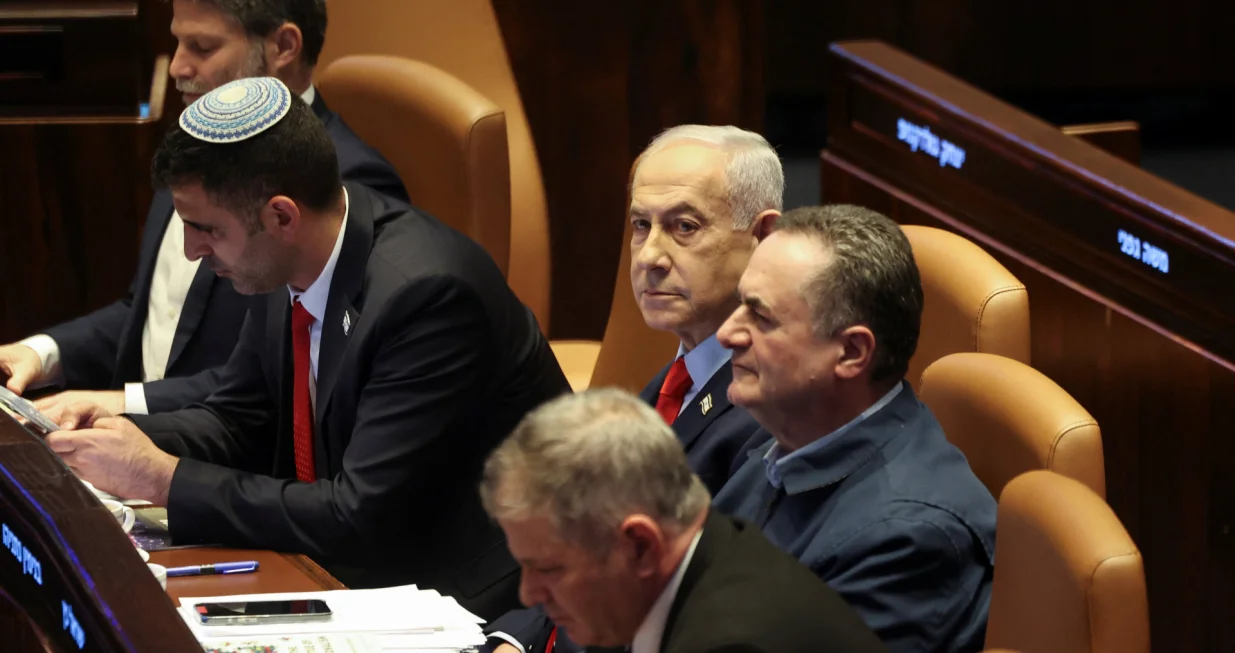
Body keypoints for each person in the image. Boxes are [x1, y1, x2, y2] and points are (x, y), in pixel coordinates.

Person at [44, 78, 569, 620]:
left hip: (469, 593)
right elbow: (238, 419)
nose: (191, 250)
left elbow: (358, 515)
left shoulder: (426, 295)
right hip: (348, 565)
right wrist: (111, 440)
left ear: (281, 216)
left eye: (206, 229)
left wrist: (162, 477)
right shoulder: (294, 257)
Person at [0, 0, 409, 419]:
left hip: (227, 463)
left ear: (284, 46)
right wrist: (40, 352)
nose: (177, 66)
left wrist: (128, 404)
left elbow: (294, 378)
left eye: (202, 46)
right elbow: (150, 314)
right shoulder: (194, 145)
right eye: (177, 42)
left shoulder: (344, 185)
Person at [482, 124, 782, 653]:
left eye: (684, 227)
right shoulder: (680, 371)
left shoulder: (768, 413)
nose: (649, 256)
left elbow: (670, 610)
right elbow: (581, 545)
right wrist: (515, 640)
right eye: (641, 226)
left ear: (761, 236)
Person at [713, 205, 997, 653]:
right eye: (738, 305)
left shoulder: (907, 541)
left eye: (760, 317)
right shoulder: (786, 436)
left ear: (850, 353)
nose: (727, 333)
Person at [479, 389, 889, 653]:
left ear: (640, 546)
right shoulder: (661, 580)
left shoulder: (733, 643)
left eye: (548, 568)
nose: (529, 594)